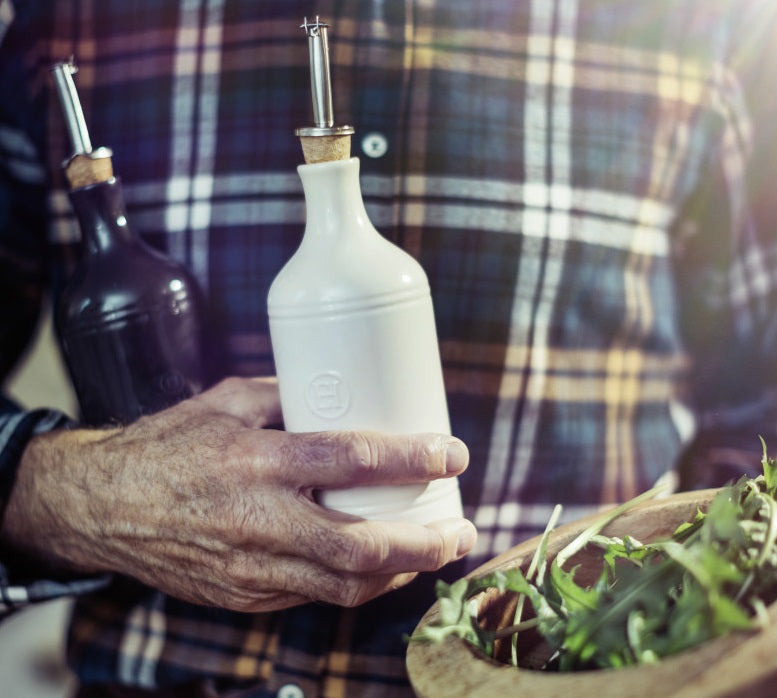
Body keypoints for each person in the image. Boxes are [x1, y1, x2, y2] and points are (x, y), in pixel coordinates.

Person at [1, 1, 777, 696]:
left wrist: (693, 639)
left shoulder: (711, 25)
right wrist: (85, 495)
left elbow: (762, 410)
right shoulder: (66, 21)